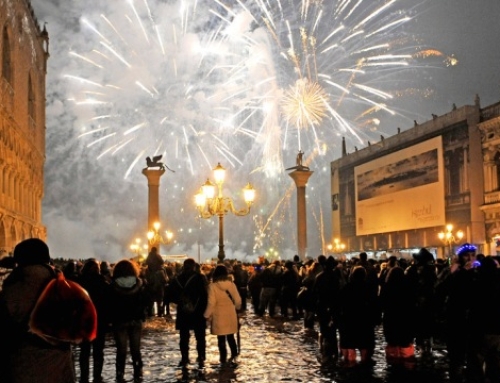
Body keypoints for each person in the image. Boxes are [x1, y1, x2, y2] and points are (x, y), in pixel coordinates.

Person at [0, 238, 76, 383]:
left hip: (21, 370)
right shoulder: (66, 290)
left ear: (19, 261)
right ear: (47, 260)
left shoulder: (9, 293)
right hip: (59, 370)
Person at [109, 259, 148, 383]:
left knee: (121, 349)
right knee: (135, 349)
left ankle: (120, 374)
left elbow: (110, 304)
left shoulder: (112, 285)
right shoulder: (139, 284)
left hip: (119, 320)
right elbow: (144, 302)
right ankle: (138, 372)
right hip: (136, 320)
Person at [77, 259, 111, 383]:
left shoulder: (79, 282)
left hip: (84, 321)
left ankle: (84, 376)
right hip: (99, 321)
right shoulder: (103, 282)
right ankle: (97, 376)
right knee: (98, 350)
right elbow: (108, 304)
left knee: (84, 350)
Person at [170, 258, 208, 368]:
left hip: (183, 311)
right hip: (198, 311)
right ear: (193, 267)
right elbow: (205, 296)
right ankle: (201, 356)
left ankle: (185, 357)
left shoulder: (177, 279)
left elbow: (171, 295)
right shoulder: (200, 278)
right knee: (200, 336)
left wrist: (181, 301)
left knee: (184, 336)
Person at [204, 265, 242, 365]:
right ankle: (234, 356)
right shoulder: (231, 285)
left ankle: (223, 359)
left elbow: (211, 303)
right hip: (230, 314)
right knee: (231, 336)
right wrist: (237, 309)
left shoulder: (212, 287)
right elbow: (238, 300)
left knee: (221, 339)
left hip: (218, 316)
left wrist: (206, 315)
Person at [144, 247, 167, 317]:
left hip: (150, 280)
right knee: (159, 298)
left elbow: (146, 262)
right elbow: (162, 262)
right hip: (159, 280)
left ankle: (150, 312)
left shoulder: (149, 256)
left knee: (150, 298)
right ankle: (160, 312)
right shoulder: (158, 256)